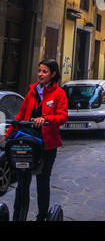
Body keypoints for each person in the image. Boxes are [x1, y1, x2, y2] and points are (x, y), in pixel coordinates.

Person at [0, 59, 68, 221]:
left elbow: (63, 116)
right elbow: (20, 116)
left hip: (47, 145)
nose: (40, 74)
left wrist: (46, 119)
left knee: (42, 181)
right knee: (22, 183)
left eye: (44, 72)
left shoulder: (59, 94)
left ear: (52, 74)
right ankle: (18, 217)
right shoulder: (32, 92)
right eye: (39, 71)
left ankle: (42, 216)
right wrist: (7, 135)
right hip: (27, 142)